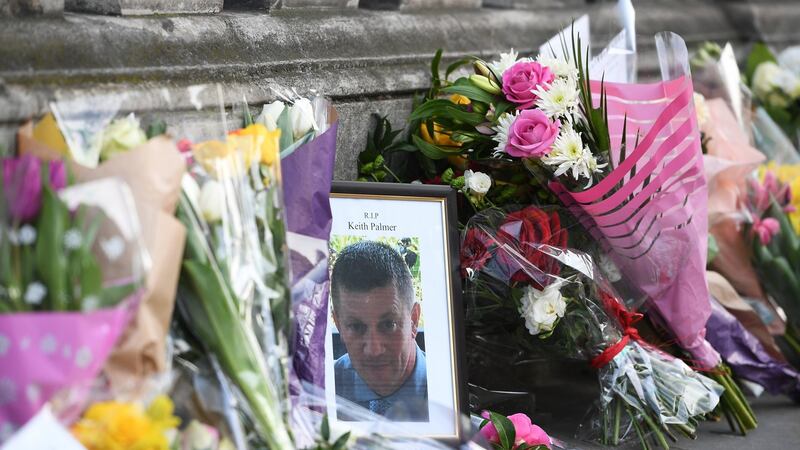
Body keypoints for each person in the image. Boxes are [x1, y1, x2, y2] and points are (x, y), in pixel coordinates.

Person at [330, 240, 428, 422]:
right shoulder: (319, 393)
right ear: (338, 324)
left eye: (389, 324)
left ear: (413, 320)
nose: (374, 350)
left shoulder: (455, 392)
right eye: (356, 327)